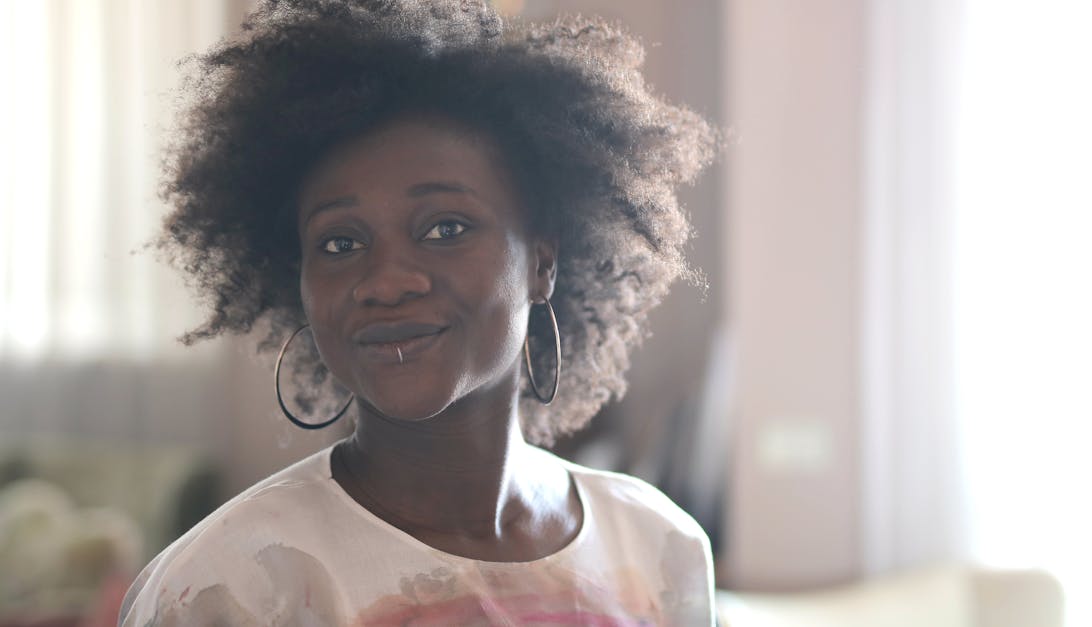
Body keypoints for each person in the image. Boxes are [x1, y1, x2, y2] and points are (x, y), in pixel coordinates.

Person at [119, 0, 718, 624]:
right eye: (340, 243)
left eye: (444, 228)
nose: (385, 282)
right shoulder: (231, 586)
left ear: (542, 262)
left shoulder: (658, 546)